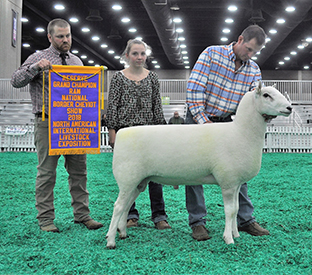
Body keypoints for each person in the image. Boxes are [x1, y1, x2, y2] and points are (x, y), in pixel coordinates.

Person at [11, 18, 103, 232]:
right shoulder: (37, 57)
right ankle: (45, 220)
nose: (65, 40)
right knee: (46, 173)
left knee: (79, 172)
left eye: (68, 35)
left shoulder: (77, 62)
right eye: (60, 36)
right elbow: (15, 81)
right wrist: (34, 68)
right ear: (50, 37)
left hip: (74, 123)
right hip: (47, 121)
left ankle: (82, 215)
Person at [185, 24, 270, 241]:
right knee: (194, 170)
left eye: (255, 52)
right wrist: (205, 124)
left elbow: (253, 102)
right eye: (248, 49)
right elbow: (195, 90)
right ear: (240, 39)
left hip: (228, 123)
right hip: (199, 117)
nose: (250, 55)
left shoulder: (254, 70)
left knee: (238, 169)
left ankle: (246, 219)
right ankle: (198, 222)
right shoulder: (211, 54)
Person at [106, 39, 171, 230]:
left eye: (142, 53)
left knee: (155, 177)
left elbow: (157, 107)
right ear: (127, 56)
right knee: (129, 178)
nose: (139, 57)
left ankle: (159, 216)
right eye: (135, 53)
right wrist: (112, 131)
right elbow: (113, 107)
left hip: (150, 134)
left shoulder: (153, 78)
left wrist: (163, 132)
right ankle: (130, 215)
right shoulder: (118, 78)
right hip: (126, 135)